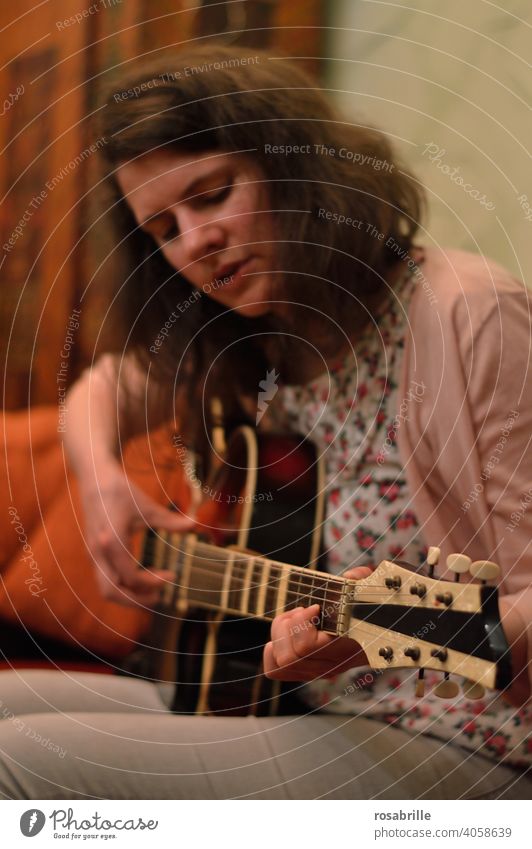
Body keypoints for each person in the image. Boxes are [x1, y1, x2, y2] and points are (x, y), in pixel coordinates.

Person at [0, 44, 530, 801]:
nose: (193, 242)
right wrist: (99, 478)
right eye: (163, 229)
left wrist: (375, 638)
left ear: (299, 170)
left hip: (468, 738)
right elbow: (110, 386)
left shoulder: (467, 313)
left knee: (14, 758)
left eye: (212, 195)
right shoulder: (256, 339)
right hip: (305, 706)